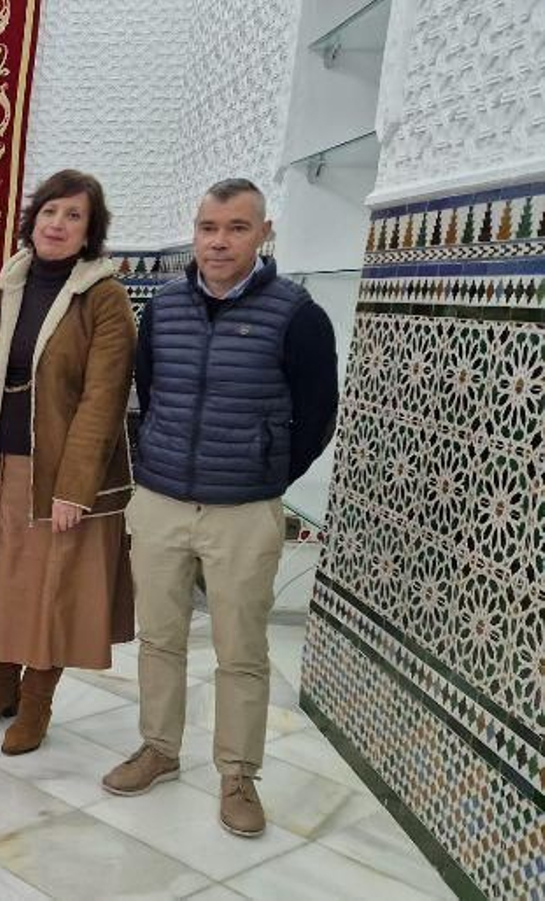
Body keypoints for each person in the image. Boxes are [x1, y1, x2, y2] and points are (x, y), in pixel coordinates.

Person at [101, 178, 338, 838]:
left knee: (240, 648)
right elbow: (149, 390)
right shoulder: (167, 307)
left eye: (236, 227)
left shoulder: (297, 315)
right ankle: (159, 747)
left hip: (243, 510)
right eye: (209, 226)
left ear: (264, 234)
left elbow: (317, 415)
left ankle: (238, 773)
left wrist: (263, 471)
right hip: (162, 500)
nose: (218, 240)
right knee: (160, 635)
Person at [0, 170, 135, 756]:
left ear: (90, 232)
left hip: (55, 476)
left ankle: (36, 704)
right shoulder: (1, 289)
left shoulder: (103, 298)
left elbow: (103, 400)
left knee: (48, 591)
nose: (58, 224)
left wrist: (74, 488)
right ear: (33, 219)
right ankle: (0, 687)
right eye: (50, 212)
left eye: (74, 216)